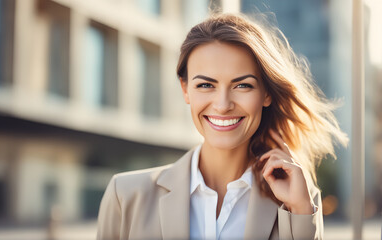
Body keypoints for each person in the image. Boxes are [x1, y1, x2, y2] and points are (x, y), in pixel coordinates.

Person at [97, 13, 348, 240]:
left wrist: (301, 213)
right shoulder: (126, 195)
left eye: (243, 85)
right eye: (206, 85)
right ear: (186, 90)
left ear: (266, 94)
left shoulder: (299, 200)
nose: (223, 104)